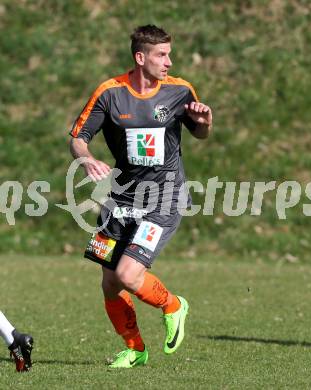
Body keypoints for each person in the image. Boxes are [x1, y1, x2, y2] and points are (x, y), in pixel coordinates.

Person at [69, 24, 212, 368]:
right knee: (109, 283)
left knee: (129, 275)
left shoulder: (180, 91)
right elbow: (77, 137)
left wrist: (205, 121)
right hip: (121, 200)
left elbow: (201, 133)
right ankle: (135, 349)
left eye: (169, 54)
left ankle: (173, 306)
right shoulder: (110, 93)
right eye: (161, 55)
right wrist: (86, 159)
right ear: (140, 57)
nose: (169, 62)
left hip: (165, 199)